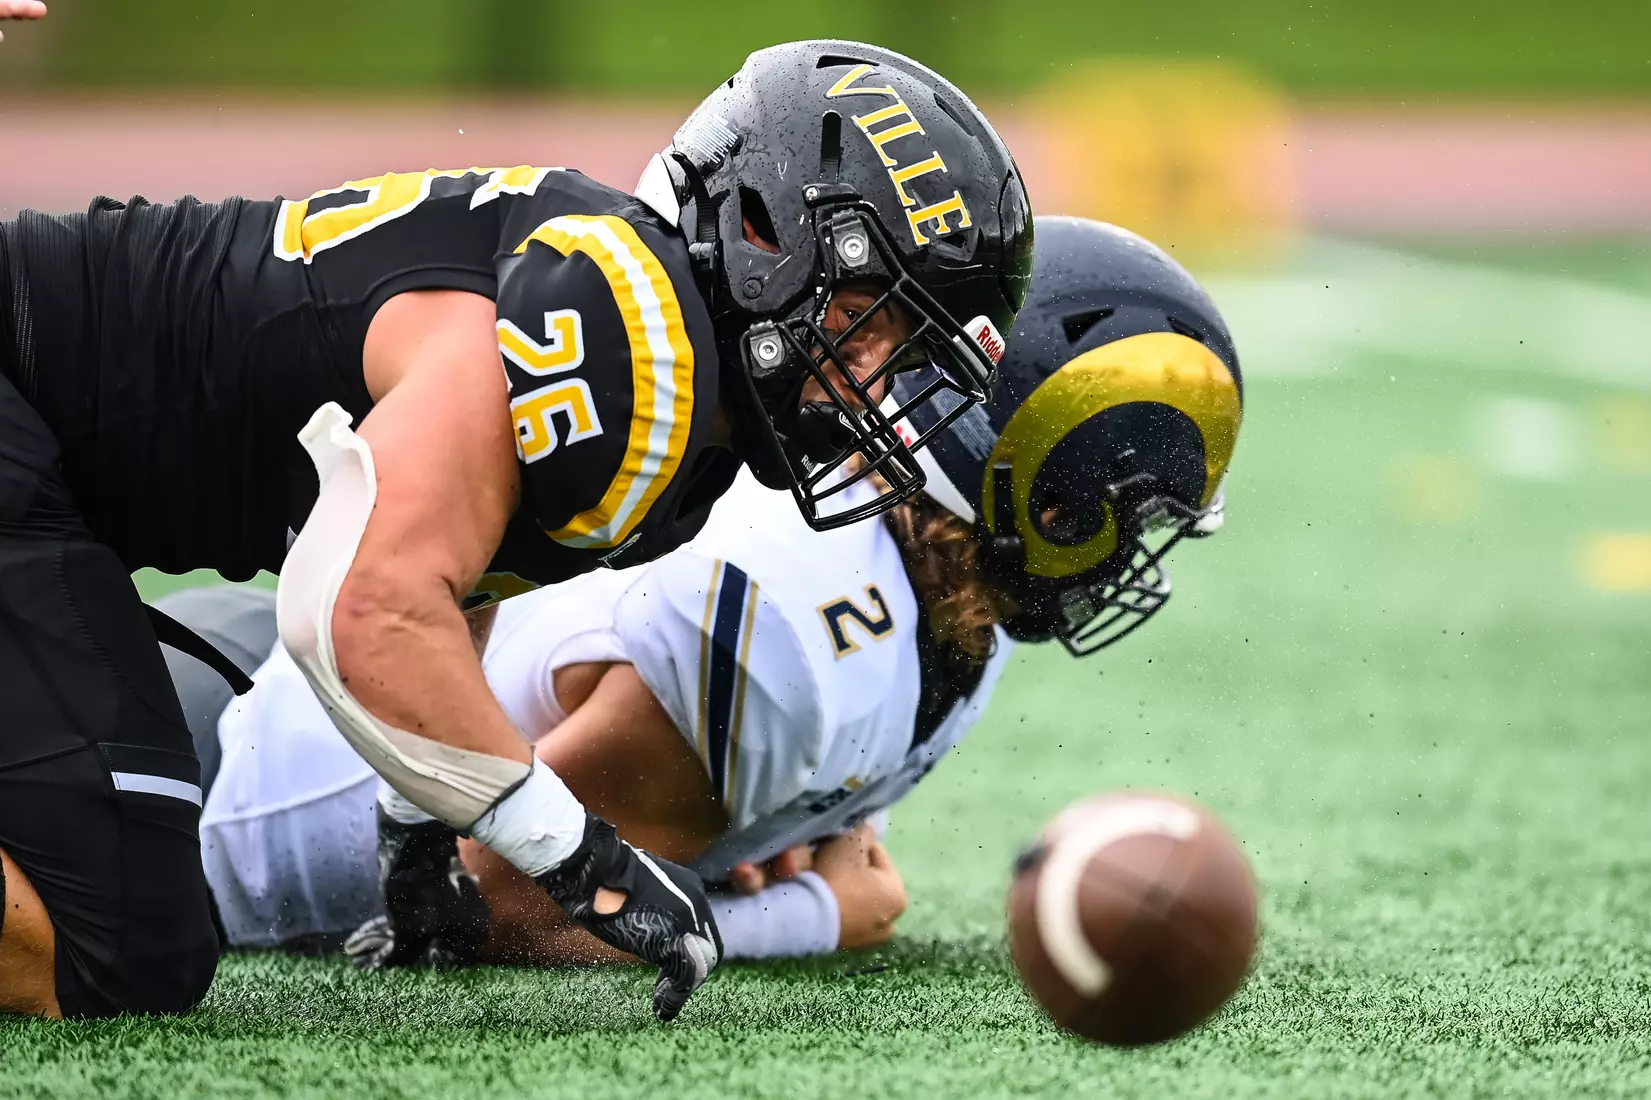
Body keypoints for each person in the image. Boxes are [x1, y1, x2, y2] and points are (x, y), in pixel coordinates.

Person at [0, 19, 1034, 1021]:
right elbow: (361, 605)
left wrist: (417, 829)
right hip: (22, 405)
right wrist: (577, 855)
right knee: (116, 946)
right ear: (764, 238)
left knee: (117, 899)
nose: (871, 384)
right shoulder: (629, 335)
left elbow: (458, 576)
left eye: (901, 351)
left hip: (52, 469)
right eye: (865, 326)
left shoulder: (679, 404)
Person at [159, 216, 1243, 968]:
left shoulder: (942, 586)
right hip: (217, 775)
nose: (1124, 555)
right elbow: (477, 907)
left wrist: (719, 826)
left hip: (281, 681)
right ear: (1026, 477)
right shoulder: (804, 626)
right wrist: (812, 913)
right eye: (1111, 515)